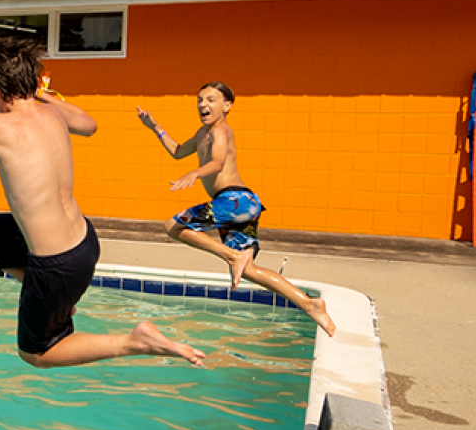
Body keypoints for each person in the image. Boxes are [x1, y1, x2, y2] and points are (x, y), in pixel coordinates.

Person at [0, 37, 205, 368]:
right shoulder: (54, 115)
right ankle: (41, 291)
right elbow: (90, 124)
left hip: (57, 263)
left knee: (36, 354)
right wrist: (43, 94)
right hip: (85, 243)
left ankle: (133, 342)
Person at [136, 83, 336, 337]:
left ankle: (231, 255)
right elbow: (177, 152)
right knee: (249, 270)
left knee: (173, 226)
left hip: (234, 200)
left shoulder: (222, 131)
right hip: (244, 203)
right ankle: (310, 304)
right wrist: (154, 127)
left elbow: (218, 162)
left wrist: (195, 173)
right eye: (199, 100)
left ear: (227, 106)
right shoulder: (202, 133)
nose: (203, 105)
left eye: (210, 100)